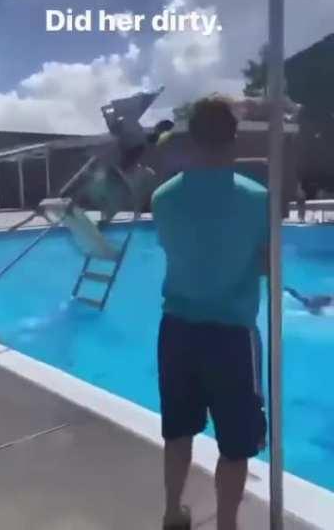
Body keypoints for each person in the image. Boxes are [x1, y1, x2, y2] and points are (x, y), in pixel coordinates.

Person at [152, 95, 268, 530]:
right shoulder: (257, 198)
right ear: (234, 140)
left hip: (177, 330)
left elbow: (179, 251)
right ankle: (227, 526)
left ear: (191, 138)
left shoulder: (163, 198)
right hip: (231, 336)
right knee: (235, 444)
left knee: (178, 430)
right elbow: (268, 264)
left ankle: (171, 512)